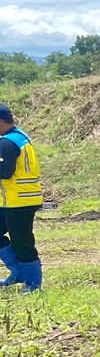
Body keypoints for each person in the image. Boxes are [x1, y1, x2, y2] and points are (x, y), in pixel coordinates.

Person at [0, 104, 43, 293]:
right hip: (11, 200)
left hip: (19, 201)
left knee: (22, 241)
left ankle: (33, 283)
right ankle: (18, 272)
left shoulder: (7, 143)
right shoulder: (19, 137)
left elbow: (5, 172)